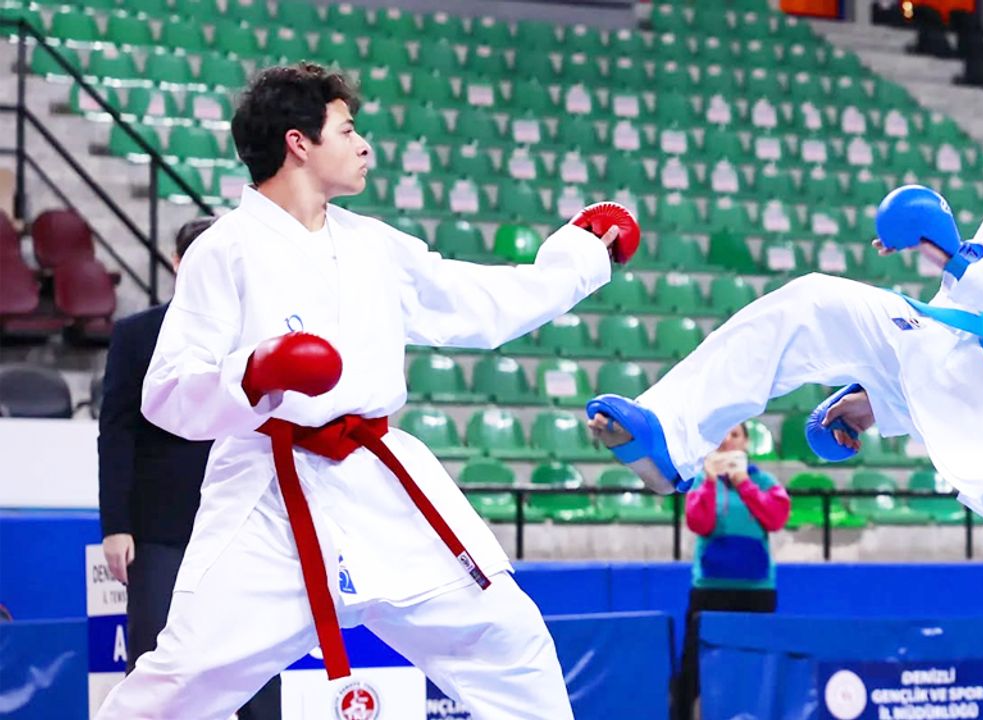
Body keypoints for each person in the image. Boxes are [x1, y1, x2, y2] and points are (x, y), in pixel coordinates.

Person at [590, 41, 983, 718]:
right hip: (970, 380)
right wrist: (879, 397)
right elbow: (955, 319)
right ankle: (669, 432)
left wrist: (957, 255)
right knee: (813, 301)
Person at [95, 62, 621, 720]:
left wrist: (579, 259)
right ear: (298, 143)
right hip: (270, 500)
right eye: (347, 130)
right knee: (180, 681)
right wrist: (254, 373)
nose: (364, 145)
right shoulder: (224, 249)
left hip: (379, 488)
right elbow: (167, 392)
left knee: (510, 645)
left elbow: (477, 302)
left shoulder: (374, 246)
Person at [98, 217, 281, 717]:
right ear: (179, 263)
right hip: (160, 527)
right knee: (156, 664)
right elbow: (116, 433)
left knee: (255, 662)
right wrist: (116, 526)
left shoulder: (261, 337)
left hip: (244, 522)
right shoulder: (137, 334)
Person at [673, 423, 790, 720]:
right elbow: (699, 523)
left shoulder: (765, 481)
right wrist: (710, 482)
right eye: (722, 434)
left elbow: (775, 518)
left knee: (756, 662)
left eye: (735, 434)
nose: (727, 440)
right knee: (693, 668)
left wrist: (743, 483)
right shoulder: (700, 482)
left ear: (746, 442)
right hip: (710, 590)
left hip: (757, 591)